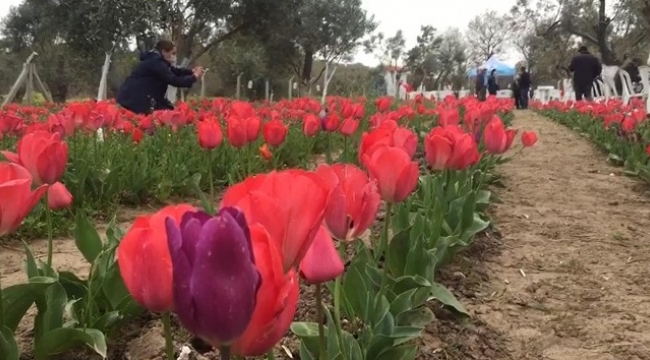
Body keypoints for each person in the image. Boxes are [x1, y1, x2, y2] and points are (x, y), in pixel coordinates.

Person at [117, 40, 204, 114]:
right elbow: (173, 80)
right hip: (136, 99)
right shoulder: (156, 63)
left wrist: (191, 71)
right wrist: (194, 77)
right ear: (163, 52)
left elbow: (175, 71)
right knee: (161, 117)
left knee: (168, 113)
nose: (174, 56)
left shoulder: (157, 61)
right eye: (173, 53)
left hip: (141, 97)